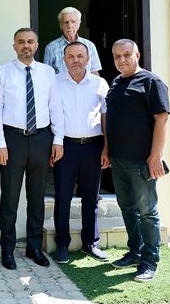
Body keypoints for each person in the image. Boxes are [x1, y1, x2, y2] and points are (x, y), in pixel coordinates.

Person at [0, 28, 64, 270]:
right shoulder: (2, 73)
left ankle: (34, 247)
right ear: (14, 46)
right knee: (10, 198)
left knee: (36, 198)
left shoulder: (47, 72)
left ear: (37, 45)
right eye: (21, 42)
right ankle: (8, 250)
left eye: (30, 42)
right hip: (13, 140)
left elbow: (55, 107)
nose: (26, 46)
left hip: (41, 138)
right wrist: (0, 144)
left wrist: (58, 140)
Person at [105, 39, 170, 282]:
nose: (121, 60)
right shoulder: (115, 83)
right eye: (117, 56)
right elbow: (112, 120)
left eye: (126, 54)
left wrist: (156, 156)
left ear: (137, 54)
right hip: (119, 160)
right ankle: (134, 251)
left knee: (147, 212)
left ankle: (149, 261)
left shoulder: (151, 82)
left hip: (142, 161)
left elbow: (162, 120)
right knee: (127, 207)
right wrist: (108, 150)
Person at [52, 42, 110, 265]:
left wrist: (107, 147)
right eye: (71, 56)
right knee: (63, 196)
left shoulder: (99, 83)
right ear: (64, 59)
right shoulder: (55, 83)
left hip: (93, 146)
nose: (75, 60)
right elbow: (51, 115)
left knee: (90, 197)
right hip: (65, 146)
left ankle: (90, 243)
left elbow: (105, 117)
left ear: (88, 59)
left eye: (80, 56)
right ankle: (62, 244)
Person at [43, 7, 102, 75]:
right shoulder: (51, 47)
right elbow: (46, 74)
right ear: (60, 25)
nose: (69, 26)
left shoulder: (89, 45)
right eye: (66, 22)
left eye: (73, 22)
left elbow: (94, 72)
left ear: (79, 24)